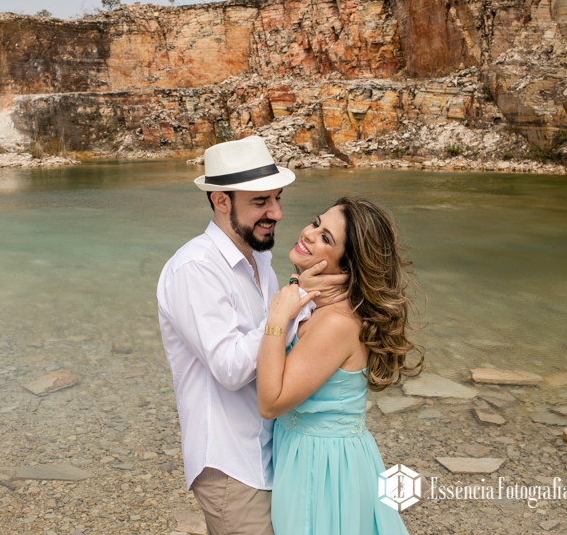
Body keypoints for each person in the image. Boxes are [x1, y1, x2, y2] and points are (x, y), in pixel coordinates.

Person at [158, 136, 345, 535]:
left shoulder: (261, 259)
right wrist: (291, 305)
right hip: (230, 462)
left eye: (277, 198)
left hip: (270, 453)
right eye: (260, 202)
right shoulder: (195, 269)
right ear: (220, 201)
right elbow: (230, 368)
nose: (276, 213)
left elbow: (278, 345)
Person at [257, 197, 424, 535]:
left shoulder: (338, 322)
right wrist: (295, 288)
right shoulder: (318, 303)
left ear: (348, 266)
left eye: (326, 238)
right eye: (316, 223)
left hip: (324, 469)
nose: (308, 233)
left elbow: (270, 402)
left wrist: (276, 317)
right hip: (309, 455)